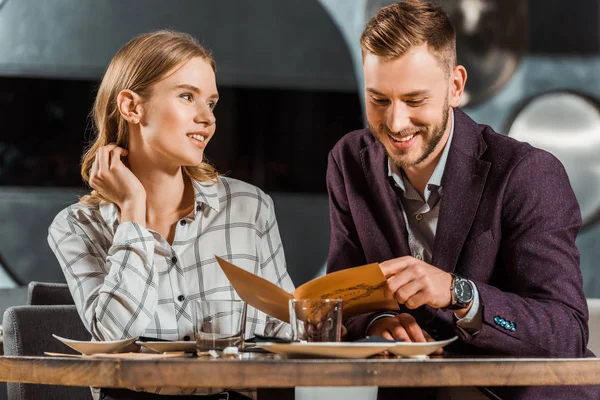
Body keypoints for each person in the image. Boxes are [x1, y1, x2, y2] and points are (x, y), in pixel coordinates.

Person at [326, 1, 599, 399]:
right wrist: (377, 322)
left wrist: (460, 293)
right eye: (379, 100)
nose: (396, 123)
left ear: (455, 87)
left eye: (415, 100)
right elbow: (345, 297)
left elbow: (565, 335)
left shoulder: (527, 173)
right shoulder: (349, 160)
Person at [47, 30, 294, 400]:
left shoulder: (249, 206)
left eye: (211, 103)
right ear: (132, 107)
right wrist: (133, 210)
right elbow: (114, 338)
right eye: (186, 96)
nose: (207, 118)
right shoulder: (76, 227)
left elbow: (286, 333)